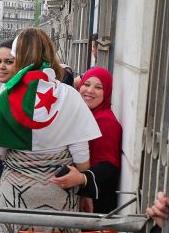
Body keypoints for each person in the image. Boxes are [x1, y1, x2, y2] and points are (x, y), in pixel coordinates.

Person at [0, 28, 101, 233]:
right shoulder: (69, 94)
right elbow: (81, 151)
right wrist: (85, 192)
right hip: (61, 198)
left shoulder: (8, 96)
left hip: (15, 202)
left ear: (18, 57)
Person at [52, 66, 122, 214]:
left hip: (97, 201)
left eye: (98, 87)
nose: (90, 90)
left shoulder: (106, 121)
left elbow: (108, 166)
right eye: (86, 84)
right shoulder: (83, 114)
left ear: (107, 92)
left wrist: (84, 181)